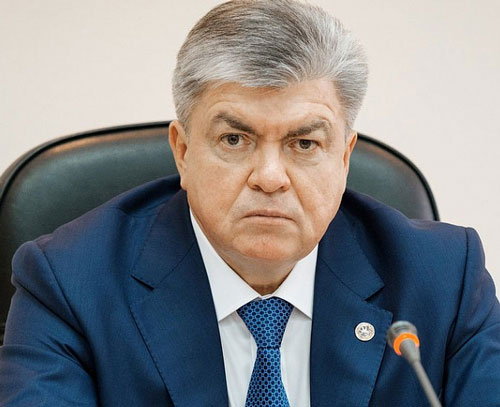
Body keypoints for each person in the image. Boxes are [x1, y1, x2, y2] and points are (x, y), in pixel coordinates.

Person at [1, 0, 499, 405]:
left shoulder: (445, 280)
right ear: (183, 151)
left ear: (344, 158)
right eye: (235, 140)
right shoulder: (70, 284)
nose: (270, 177)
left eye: (304, 143)